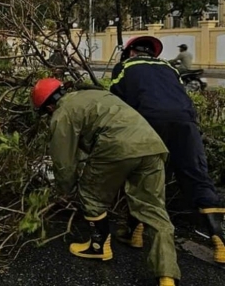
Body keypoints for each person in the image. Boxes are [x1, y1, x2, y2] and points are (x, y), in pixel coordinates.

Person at [32, 78, 180, 286]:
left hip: (117, 146)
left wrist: (65, 190)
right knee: (154, 209)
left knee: (90, 194)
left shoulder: (61, 113)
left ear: (48, 106)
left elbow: (64, 161)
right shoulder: (96, 94)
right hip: (152, 145)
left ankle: (98, 246)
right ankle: (167, 276)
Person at [110, 36, 224, 264]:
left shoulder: (124, 67)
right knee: (197, 176)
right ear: (153, 53)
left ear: (131, 52)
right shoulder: (169, 68)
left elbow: (117, 103)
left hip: (149, 122)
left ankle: (135, 233)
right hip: (185, 122)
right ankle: (220, 241)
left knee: (144, 176)